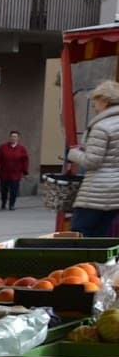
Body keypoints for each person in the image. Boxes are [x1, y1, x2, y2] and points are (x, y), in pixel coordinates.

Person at [66, 81, 119, 239]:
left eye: (95, 101)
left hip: (97, 192)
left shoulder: (102, 126)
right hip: (115, 192)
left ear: (105, 101)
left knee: (80, 235)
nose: (94, 106)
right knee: (101, 237)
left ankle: (83, 264)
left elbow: (92, 161)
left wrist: (73, 153)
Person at [0, 129, 30, 211]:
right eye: (12, 136)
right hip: (4, 173)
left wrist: (25, 172)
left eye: (15, 137)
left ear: (18, 138)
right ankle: (3, 203)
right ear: (9, 137)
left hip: (16, 174)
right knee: (3, 190)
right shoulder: (3, 147)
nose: (13, 138)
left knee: (14, 190)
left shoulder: (21, 149)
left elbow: (25, 161)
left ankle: (12, 204)